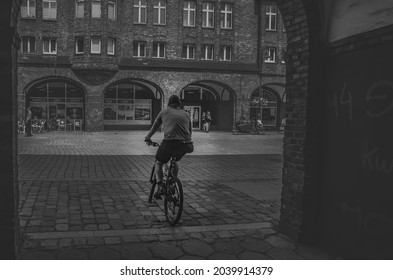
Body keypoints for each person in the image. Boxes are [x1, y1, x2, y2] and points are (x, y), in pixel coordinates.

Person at [144, 95, 193, 199]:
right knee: (174, 161)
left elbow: (154, 127)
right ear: (179, 104)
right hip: (187, 145)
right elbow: (190, 130)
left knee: (158, 162)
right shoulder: (185, 114)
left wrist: (148, 138)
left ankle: (160, 186)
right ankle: (172, 183)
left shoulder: (164, 112)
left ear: (168, 103)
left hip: (170, 143)